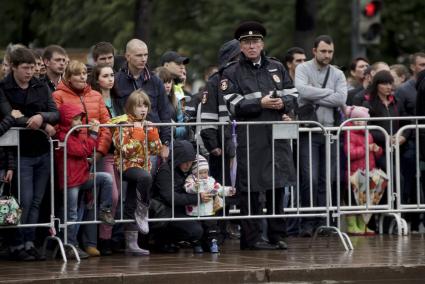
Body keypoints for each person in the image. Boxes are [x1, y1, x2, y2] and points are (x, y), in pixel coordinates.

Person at [220, 21, 298, 250]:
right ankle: (252, 238)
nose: (251, 46)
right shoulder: (231, 71)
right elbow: (232, 104)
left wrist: (284, 103)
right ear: (241, 46)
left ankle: (277, 235)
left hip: (276, 135)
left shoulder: (276, 67)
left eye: (255, 41)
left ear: (262, 44)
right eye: (246, 42)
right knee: (250, 189)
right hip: (250, 138)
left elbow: (293, 95)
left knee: (278, 185)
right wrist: (260, 103)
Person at [0, 47, 59, 261]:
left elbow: (55, 112)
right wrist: (39, 124)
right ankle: (16, 243)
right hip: (20, 152)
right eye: (25, 68)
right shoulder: (4, 87)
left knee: (36, 200)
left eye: (32, 67)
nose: (29, 72)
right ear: (14, 67)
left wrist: (42, 117)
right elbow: (9, 115)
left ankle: (29, 241)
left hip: (42, 151)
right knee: (22, 200)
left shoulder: (40, 85)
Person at [295, 35, 347, 237]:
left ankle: (324, 220)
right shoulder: (303, 68)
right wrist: (328, 93)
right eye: (323, 51)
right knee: (311, 178)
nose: (327, 55)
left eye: (330, 52)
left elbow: (342, 98)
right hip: (309, 130)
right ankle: (308, 222)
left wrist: (314, 93)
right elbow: (300, 90)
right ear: (314, 50)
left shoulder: (338, 73)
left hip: (332, 132)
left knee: (328, 178)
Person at [55, 103, 114, 259]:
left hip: (81, 176)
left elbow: (84, 149)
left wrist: (91, 137)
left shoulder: (74, 135)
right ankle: (70, 245)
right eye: (75, 119)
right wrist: (94, 135)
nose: (79, 123)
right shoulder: (63, 136)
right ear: (67, 120)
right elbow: (82, 150)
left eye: (79, 119)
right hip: (70, 181)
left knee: (106, 179)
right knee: (72, 214)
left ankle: (105, 210)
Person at [111, 90, 162, 256]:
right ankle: (143, 210)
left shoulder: (148, 124)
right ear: (130, 107)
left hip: (143, 167)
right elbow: (124, 150)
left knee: (131, 201)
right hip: (126, 166)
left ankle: (131, 244)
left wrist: (153, 136)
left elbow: (156, 151)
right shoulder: (123, 124)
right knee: (145, 177)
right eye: (138, 105)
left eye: (145, 105)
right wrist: (138, 135)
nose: (143, 109)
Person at [115, 39, 171, 167]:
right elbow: (116, 113)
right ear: (127, 56)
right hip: (127, 144)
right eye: (139, 55)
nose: (144, 59)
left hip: (153, 143)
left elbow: (165, 114)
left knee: (149, 183)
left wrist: (166, 143)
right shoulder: (117, 81)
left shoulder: (156, 81)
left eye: (146, 55)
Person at [88, 63, 124, 255]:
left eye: (112, 75)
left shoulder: (118, 100)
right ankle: (101, 239)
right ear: (96, 79)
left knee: (118, 198)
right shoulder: (93, 99)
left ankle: (108, 238)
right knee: (111, 196)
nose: (110, 79)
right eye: (105, 76)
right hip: (103, 152)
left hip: (119, 152)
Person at [150, 140, 206, 253]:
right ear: (177, 159)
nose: (188, 165)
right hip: (166, 211)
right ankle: (162, 238)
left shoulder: (191, 170)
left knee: (200, 230)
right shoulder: (165, 171)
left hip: (184, 209)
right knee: (195, 231)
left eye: (190, 162)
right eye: (185, 162)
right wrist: (197, 198)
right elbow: (170, 198)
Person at [343, 106, 382, 236]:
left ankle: (362, 224)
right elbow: (350, 153)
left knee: (365, 201)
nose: (359, 122)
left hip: (368, 172)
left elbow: (376, 154)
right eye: (356, 119)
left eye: (362, 119)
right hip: (354, 173)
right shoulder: (349, 133)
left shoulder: (369, 134)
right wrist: (367, 148)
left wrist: (377, 150)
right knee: (352, 201)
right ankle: (352, 225)